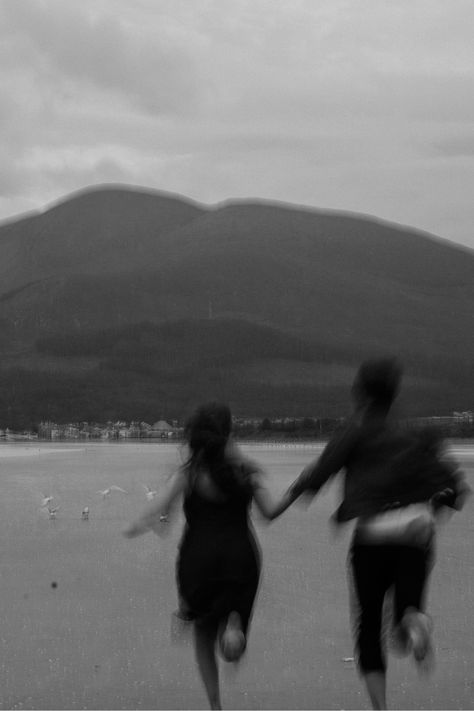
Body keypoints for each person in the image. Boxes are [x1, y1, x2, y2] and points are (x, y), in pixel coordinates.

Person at [280, 358, 470, 710]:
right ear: (393, 394)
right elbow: (456, 487)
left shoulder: (356, 430)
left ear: (361, 393)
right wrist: (433, 514)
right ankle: (413, 621)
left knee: (369, 628)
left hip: (373, 534)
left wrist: (282, 503)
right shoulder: (417, 433)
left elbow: (317, 475)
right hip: (416, 529)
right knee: (408, 609)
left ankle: (381, 708)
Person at [124, 402, 283, 710]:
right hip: (241, 556)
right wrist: (299, 488)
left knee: (202, 635)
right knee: (230, 628)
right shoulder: (245, 473)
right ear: (228, 434)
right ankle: (234, 627)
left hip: (198, 561)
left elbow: (158, 513)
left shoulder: (189, 474)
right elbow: (270, 512)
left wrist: (138, 525)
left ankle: (215, 706)